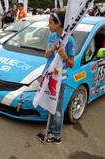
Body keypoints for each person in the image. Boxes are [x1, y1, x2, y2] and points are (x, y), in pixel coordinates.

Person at [36, 11, 76, 144]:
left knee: (57, 107)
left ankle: (56, 135)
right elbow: (47, 55)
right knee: (49, 104)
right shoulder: (52, 36)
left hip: (60, 79)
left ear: (59, 24)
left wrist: (64, 55)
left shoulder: (69, 40)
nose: (48, 25)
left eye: (51, 22)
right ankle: (50, 130)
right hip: (49, 76)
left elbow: (71, 64)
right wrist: (52, 48)